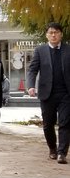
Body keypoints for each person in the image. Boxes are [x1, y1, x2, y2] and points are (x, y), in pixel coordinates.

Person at [27, 22, 70, 163]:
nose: (53, 35)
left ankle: (62, 153)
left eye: (56, 32)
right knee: (48, 124)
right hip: (47, 93)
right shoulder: (40, 50)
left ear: (61, 34)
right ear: (47, 35)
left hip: (66, 93)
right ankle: (52, 148)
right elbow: (32, 70)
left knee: (65, 123)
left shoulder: (68, 49)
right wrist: (31, 86)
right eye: (51, 32)